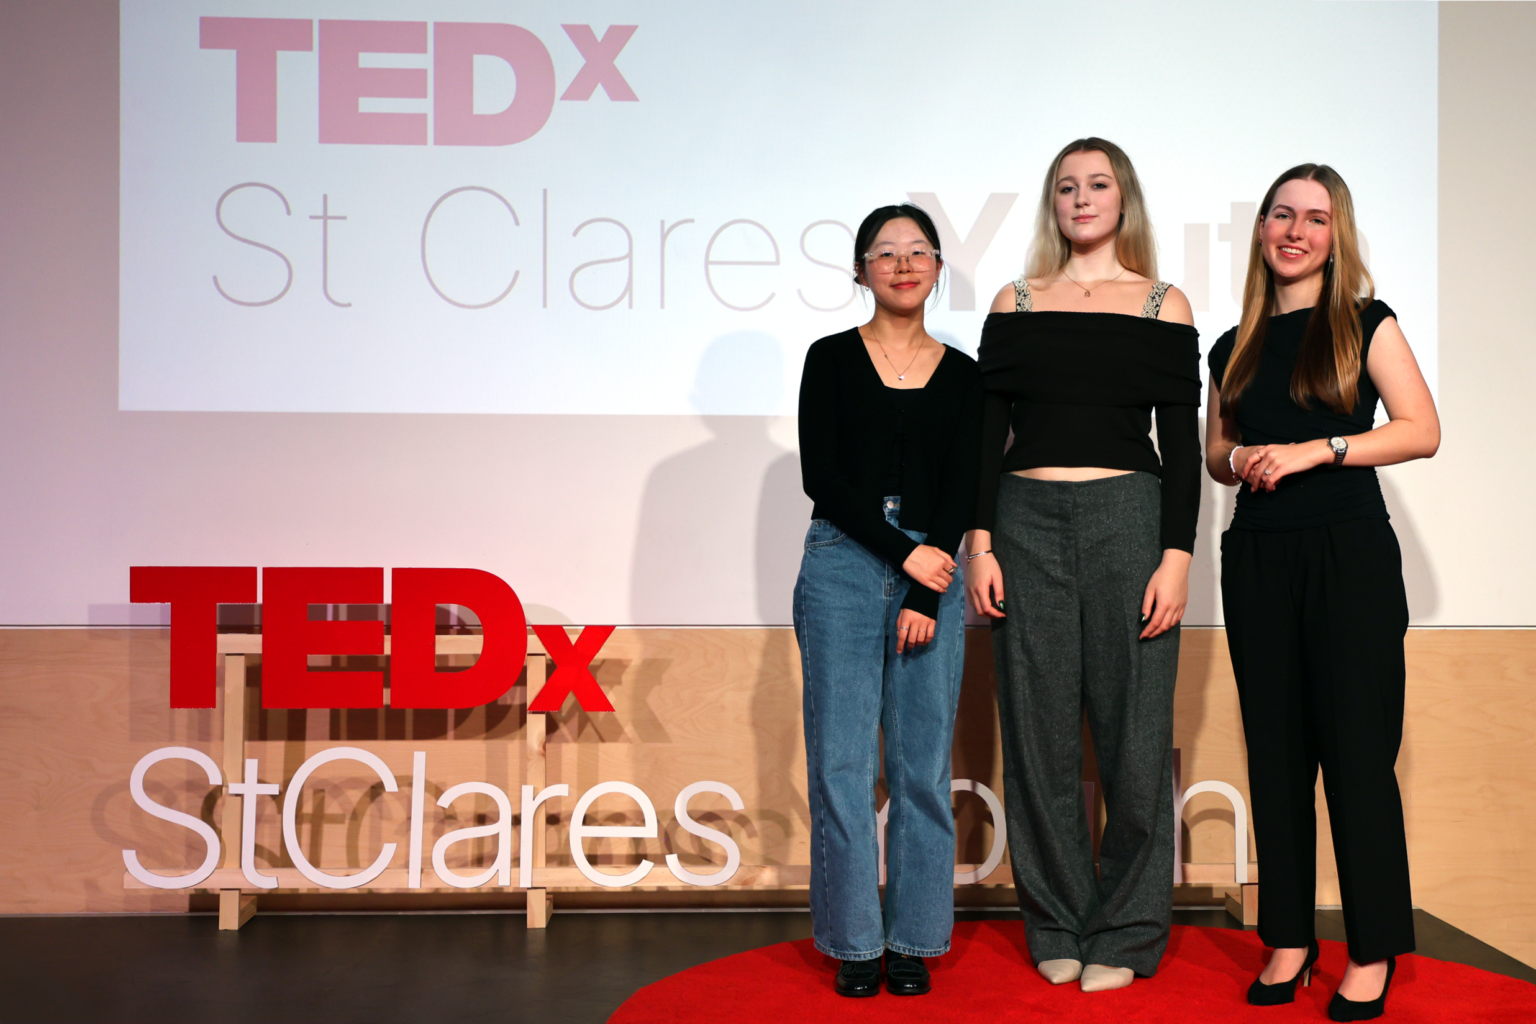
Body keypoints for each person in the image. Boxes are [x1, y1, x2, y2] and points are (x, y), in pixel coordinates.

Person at [965, 138, 1201, 993]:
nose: (1082, 197)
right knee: (1038, 737)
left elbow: (1181, 447)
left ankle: (1129, 932)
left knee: (1134, 737)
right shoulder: (1016, 300)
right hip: (1023, 524)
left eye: (1098, 184)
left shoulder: (1164, 305)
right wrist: (980, 543)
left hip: (1129, 521)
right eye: (1067, 186)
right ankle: (1057, 921)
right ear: (1053, 203)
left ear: (1123, 197)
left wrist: (1176, 557)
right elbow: (988, 435)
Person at [1205, 164, 1439, 1021]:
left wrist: (1318, 449)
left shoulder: (1366, 323)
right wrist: (1243, 458)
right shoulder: (1231, 344)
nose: (1295, 231)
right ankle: (1290, 939)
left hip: (1349, 555)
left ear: (1336, 235)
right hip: (1258, 555)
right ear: (1262, 229)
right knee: (1275, 754)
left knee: (1356, 754)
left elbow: (1422, 430)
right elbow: (1216, 454)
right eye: (1282, 214)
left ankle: (1372, 948)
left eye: (1314, 217)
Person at [793, 203, 982, 998]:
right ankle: (854, 942)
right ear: (861, 270)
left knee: (920, 768)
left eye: (918, 252)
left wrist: (924, 593)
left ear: (937, 267)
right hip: (842, 561)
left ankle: (912, 940)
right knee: (841, 765)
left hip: (933, 568)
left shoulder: (966, 374)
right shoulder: (830, 358)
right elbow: (823, 476)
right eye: (885, 252)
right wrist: (905, 556)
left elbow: (964, 483)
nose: (903, 265)